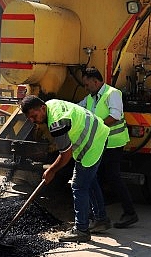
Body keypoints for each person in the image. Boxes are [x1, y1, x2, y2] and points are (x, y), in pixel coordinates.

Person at [21, 95, 110, 243]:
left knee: (78, 186)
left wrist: (51, 171)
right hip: (98, 133)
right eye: (29, 118)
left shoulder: (57, 123)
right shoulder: (51, 104)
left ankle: (81, 230)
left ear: (42, 108)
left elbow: (65, 155)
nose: (33, 120)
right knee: (90, 180)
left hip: (92, 143)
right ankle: (101, 220)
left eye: (34, 116)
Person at [79, 67, 138, 230]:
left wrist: (96, 128)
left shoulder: (113, 93)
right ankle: (99, 213)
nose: (86, 88)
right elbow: (78, 108)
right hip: (100, 143)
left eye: (87, 84)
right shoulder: (91, 98)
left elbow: (115, 115)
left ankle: (129, 213)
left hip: (113, 143)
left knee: (112, 177)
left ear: (95, 81)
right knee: (99, 177)